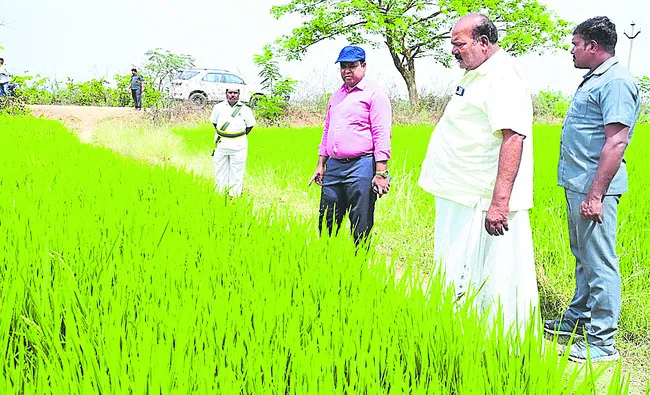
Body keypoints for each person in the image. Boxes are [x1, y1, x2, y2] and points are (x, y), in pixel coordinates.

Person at [418, 14, 537, 332]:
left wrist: (500, 203)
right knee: (456, 268)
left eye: (460, 44)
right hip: (460, 194)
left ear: (484, 43)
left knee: (482, 273)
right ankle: (455, 330)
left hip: (479, 200)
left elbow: (513, 137)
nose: (454, 51)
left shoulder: (503, 77)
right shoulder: (478, 72)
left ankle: (486, 338)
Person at [544, 16, 640, 363]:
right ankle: (578, 319)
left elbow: (617, 142)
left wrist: (596, 195)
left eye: (575, 44)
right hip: (579, 184)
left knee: (600, 263)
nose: (571, 50)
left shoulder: (615, 81)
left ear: (593, 47)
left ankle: (602, 342)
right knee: (583, 258)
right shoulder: (596, 79)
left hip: (593, 189)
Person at [308, 45, 392, 245]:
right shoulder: (337, 96)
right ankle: (326, 258)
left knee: (360, 219)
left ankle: (358, 264)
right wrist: (321, 164)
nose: (347, 71)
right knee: (327, 217)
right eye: (343, 67)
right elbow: (327, 129)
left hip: (361, 165)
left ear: (363, 66)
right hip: (335, 166)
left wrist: (381, 173)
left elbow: (382, 134)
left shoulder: (375, 95)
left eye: (352, 66)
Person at [209, 88, 256, 198]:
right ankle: (220, 195)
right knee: (220, 171)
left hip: (239, 145)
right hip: (221, 144)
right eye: (230, 93)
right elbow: (215, 123)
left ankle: (234, 196)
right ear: (226, 94)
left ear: (239, 95)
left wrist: (236, 135)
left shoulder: (245, 110)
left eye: (235, 93)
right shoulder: (218, 108)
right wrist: (226, 133)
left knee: (237, 171)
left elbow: (250, 126)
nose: (232, 95)